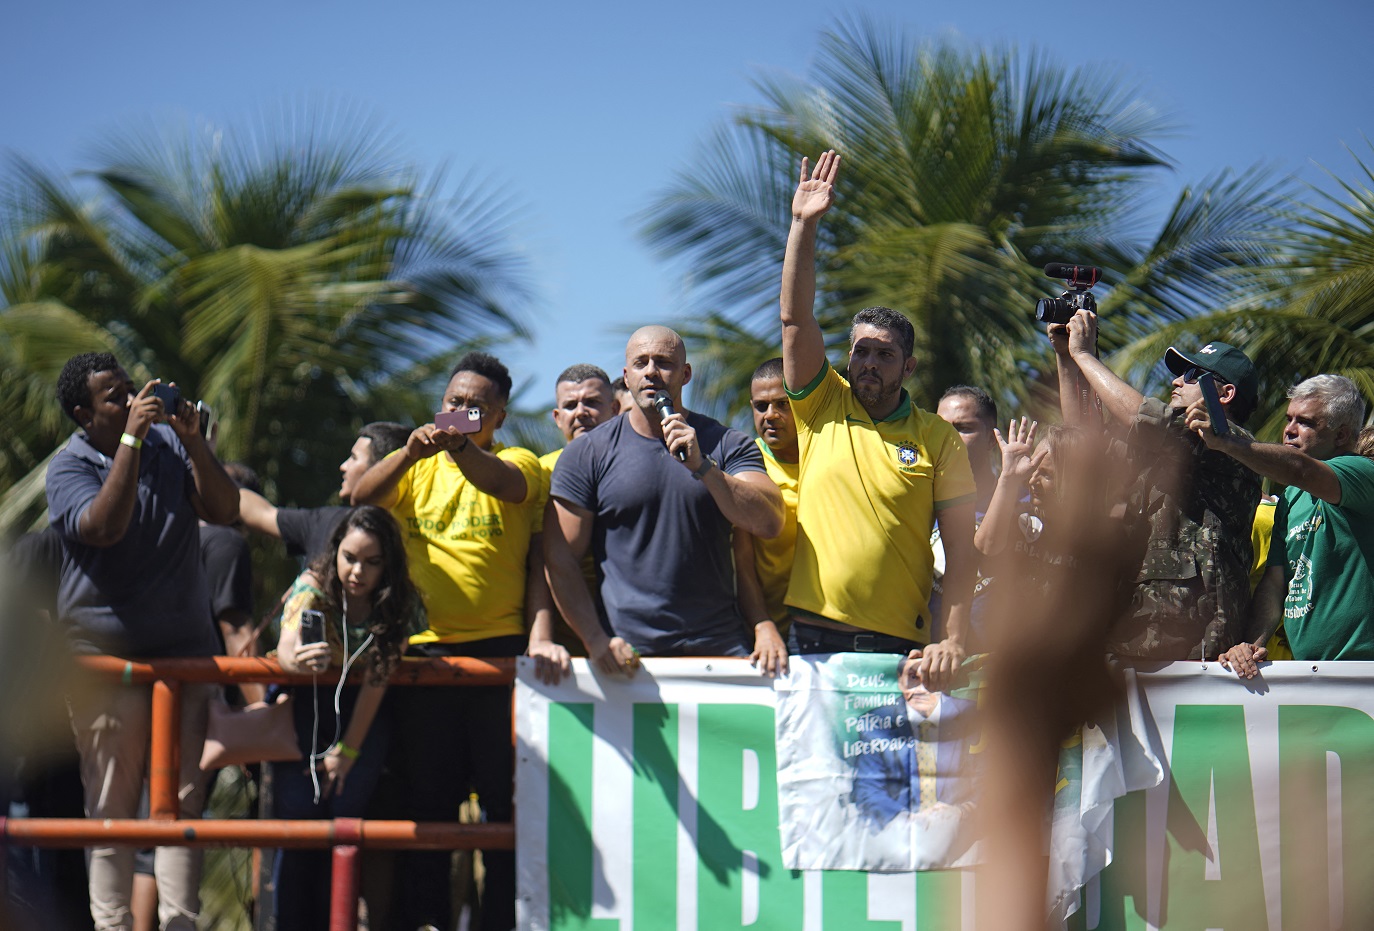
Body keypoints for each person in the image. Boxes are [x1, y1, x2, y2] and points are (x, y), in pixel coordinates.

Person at [46, 352, 239, 931]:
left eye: (132, 390)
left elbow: (225, 509)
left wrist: (194, 442)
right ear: (84, 413)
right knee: (111, 807)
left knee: (183, 804)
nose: (133, 402)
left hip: (185, 660)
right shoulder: (69, 467)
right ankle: (112, 926)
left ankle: (181, 923)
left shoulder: (170, 447)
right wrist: (130, 446)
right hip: (108, 669)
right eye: (114, 397)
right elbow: (105, 526)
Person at [353, 351, 542, 931]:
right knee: (428, 808)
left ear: (499, 417)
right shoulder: (417, 466)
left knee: (502, 810)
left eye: (475, 407)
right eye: (453, 402)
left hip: (501, 657)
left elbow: (504, 486)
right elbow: (360, 498)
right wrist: (409, 451)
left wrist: (459, 447)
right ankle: (427, 921)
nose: (459, 413)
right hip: (428, 656)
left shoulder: (522, 460)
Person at [779, 151, 977, 693]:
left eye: (884, 355)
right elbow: (796, 319)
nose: (868, 363)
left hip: (898, 650)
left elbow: (962, 553)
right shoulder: (821, 403)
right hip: (811, 644)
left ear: (908, 367)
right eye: (860, 352)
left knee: (886, 783)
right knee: (812, 782)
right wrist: (803, 225)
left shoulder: (938, 438)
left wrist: (953, 638)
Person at [544, 326, 783, 672]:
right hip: (628, 659)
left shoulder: (728, 443)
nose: (651, 371)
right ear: (626, 378)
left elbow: (768, 521)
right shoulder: (587, 453)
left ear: (685, 374)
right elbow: (560, 558)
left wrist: (704, 468)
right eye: (640, 363)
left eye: (664, 362)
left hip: (720, 653)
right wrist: (595, 640)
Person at [1052, 312, 1262, 661]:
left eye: (1192, 374)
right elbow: (1084, 440)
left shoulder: (1231, 442)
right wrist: (1065, 358)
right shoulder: (1171, 449)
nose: (1178, 381)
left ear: (1225, 393)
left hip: (1194, 643)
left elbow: (1150, 420)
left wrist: (1085, 355)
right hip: (1138, 632)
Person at [270, 506, 423, 931]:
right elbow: (286, 645)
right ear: (335, 552)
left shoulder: (398, 603)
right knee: (297, 824)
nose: (358, 571)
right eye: (350, 557)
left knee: (345, 823)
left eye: (372, 562)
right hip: (306, 706)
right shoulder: (312, 587)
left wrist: (349, 750)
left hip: (364, 714)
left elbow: (378, 678)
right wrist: (297, 660)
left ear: (387, 565)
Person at [1204, 375, 1374, 674]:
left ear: (1341, 435)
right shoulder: (1291, 498)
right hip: (1310, 671)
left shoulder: (1364, 472)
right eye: (1288, 418)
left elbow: (1299, 469)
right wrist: (1251, 644)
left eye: (1306, 422)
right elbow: (1275, 583)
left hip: (1363, 671)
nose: (1289, 430)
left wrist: (1229, 443)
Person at [527, 364, 618, 681]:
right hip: (565, 647)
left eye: (592, 402)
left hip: (633, 632)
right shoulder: (542, 473)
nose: (580, 413)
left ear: (615, 408)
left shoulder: (641, 461)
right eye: (570, 405)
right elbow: (540, 558)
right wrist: (541, 638)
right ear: (557, 417)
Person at [237, 421, 410, 563]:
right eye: (349, 557)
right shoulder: (326, 522)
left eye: (354, 458)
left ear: (383, 470)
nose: (343, 466)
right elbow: (260, 513)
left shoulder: (413, 544)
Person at [732, 357, 797, 676]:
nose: (770, 415)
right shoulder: (747, 468)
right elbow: (743, 563)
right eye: (760, 406)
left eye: (782, 404)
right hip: (770, 637)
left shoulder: (832, 458)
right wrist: (762, 624)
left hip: (831, 627)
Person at [930, 385, 1002, 650]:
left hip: (997, 671)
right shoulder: (917, 502)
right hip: (927, 664)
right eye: (941, 427)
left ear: (992, 440)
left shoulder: (1024, 501)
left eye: (963, 428)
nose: (948, 437)